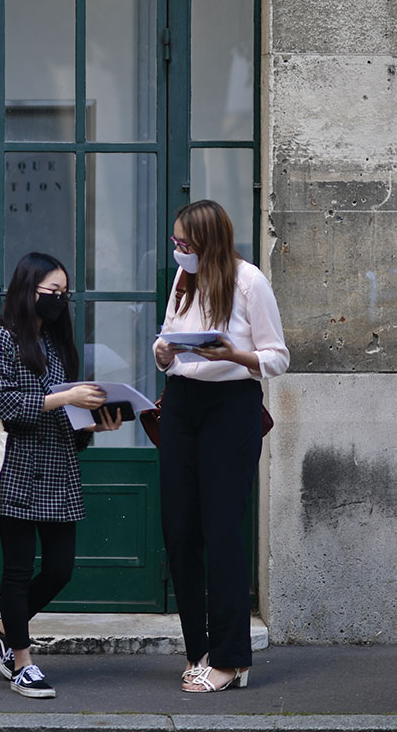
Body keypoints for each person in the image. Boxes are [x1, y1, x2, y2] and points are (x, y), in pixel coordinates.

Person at [152, 200, 289, 694]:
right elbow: (168, 340)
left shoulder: (249, 281)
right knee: (180, 529)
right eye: (175, 243)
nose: (178, 251)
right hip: (183, 404)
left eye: (185, 244)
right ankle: (199, 651)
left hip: (231, 405)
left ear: (208, 242)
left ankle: (232, 658)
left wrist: (236, 353)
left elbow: (278, 356)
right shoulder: (184, 281)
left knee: (222, 529)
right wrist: (163, 351)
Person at [0, 251, 122, 699]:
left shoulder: (58, 345)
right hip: (18, 468)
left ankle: (3, 628)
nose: (59, 301)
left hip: (59, 468)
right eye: (51, 293)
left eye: (64, 294)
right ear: (28, 290)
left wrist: (95, 425)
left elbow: (67, 420)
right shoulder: (1, 338)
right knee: (19, 570)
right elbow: (5, 404)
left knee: (60, 570)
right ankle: (22, 661)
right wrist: (64, 399)